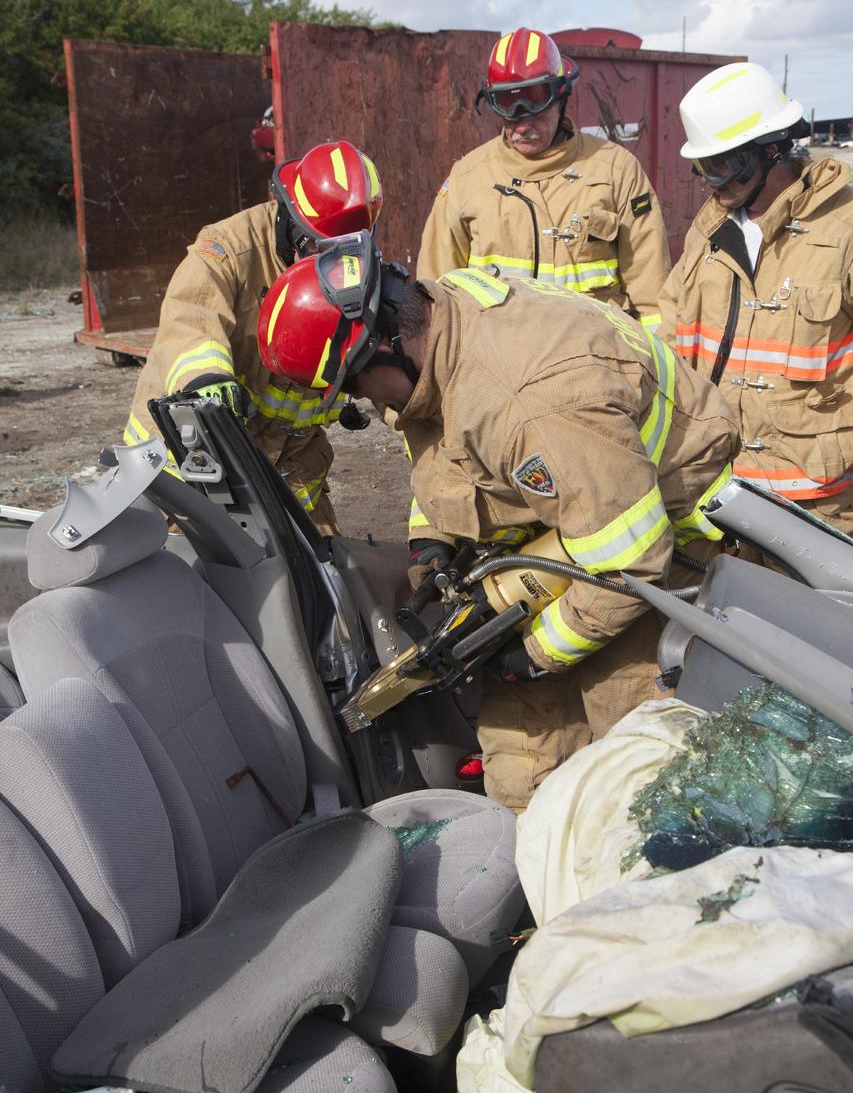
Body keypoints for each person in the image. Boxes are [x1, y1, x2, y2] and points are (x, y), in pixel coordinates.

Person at [257, 237, 738, 810]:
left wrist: (538, 653)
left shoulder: (530, 402)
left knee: (640, 784)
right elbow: (446, 443)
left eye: (355, 389)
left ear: (384, 346)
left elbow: (631, 560)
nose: (371, 408)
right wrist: (430, 538)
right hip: (570, 522)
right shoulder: (442, 314)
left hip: (659, 570)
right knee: (518, 777)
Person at [124, 140, 383, 534]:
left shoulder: (353, 264)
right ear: (289, 217)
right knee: (195, 578)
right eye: (315, 246)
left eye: (345, 250)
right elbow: (190, 316)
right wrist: (207, 379)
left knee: (318, 578)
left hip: (292, 469)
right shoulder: (228, 250)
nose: (333, 264)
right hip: (196, 464)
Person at [658, 62, 853, 533]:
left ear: (772, 150)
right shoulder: (707, 236)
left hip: (817, 505)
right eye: (704, 166)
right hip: (717, 495)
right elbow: (668, 342)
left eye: (724, 164)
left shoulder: (844, 229)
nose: (713, 181)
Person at [418, 26, 672, 326]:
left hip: (595, 362)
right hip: (497, 365)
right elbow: (435, 298)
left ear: (560, 96)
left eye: (535, 102)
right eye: (509, 106)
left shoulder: (616, 171)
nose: (523, 124)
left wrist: (651, 368)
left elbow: (652, 296)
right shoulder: (467, 178)